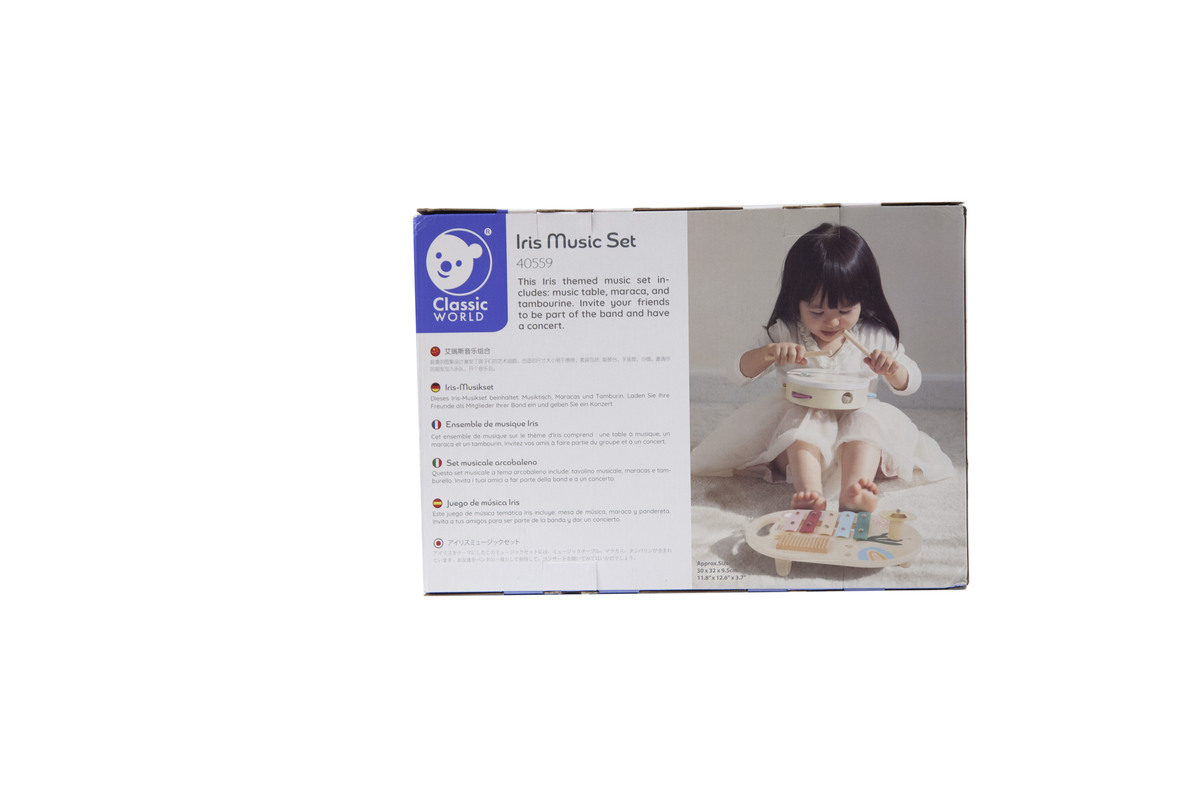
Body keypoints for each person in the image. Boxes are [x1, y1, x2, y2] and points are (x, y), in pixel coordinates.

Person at [691, 223, 953, 512]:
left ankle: (854, 490)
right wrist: (768, 353)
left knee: (867, 422)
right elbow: (736, 373)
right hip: (803, 449)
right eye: (817, 312)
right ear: (796, 301)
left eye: (845, 311)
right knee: (801, 423)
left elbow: (911, 381)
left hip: (855, 445)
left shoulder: (874, 335)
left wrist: (893, 370)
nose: (832, 322)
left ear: (862, 299)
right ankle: (810, 493)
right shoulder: (786, 331)